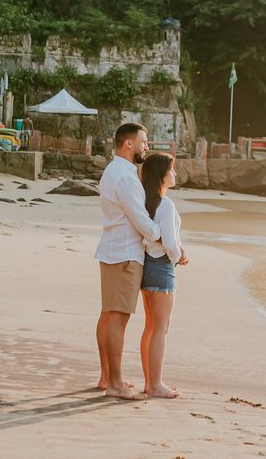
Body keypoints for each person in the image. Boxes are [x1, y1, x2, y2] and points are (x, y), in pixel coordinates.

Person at [95, 122, 159, 400]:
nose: (147, 145)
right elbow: (141, 220)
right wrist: (164, 236)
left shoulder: (118, 172)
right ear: (128, 143)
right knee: (117, 320)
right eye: (143, 141)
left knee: (109, 315)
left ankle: (107, 377)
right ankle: (115, 384)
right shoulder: (124, 176)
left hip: (114, 251)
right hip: (124, 255)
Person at [139, 152, 188, 399]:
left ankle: (151, 383)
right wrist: (177, 255)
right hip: (162, 266)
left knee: (151, 327)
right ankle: (155, 385)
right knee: (161, 328)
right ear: (161, 174)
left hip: (148, 265)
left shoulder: (148, 201)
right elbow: (168, 241)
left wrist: (177, 249)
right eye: (171, 169)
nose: (175, 173)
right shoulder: (166, 204)